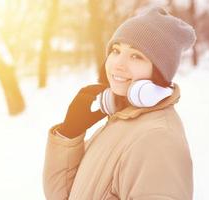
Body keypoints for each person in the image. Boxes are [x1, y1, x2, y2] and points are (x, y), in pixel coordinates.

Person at [43, 6, 196, 200]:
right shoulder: (121, 120)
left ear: (159, 72)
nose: (118, 64)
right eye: (116, 50)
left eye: (136, 56)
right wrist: (70, 133)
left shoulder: (158, 140)